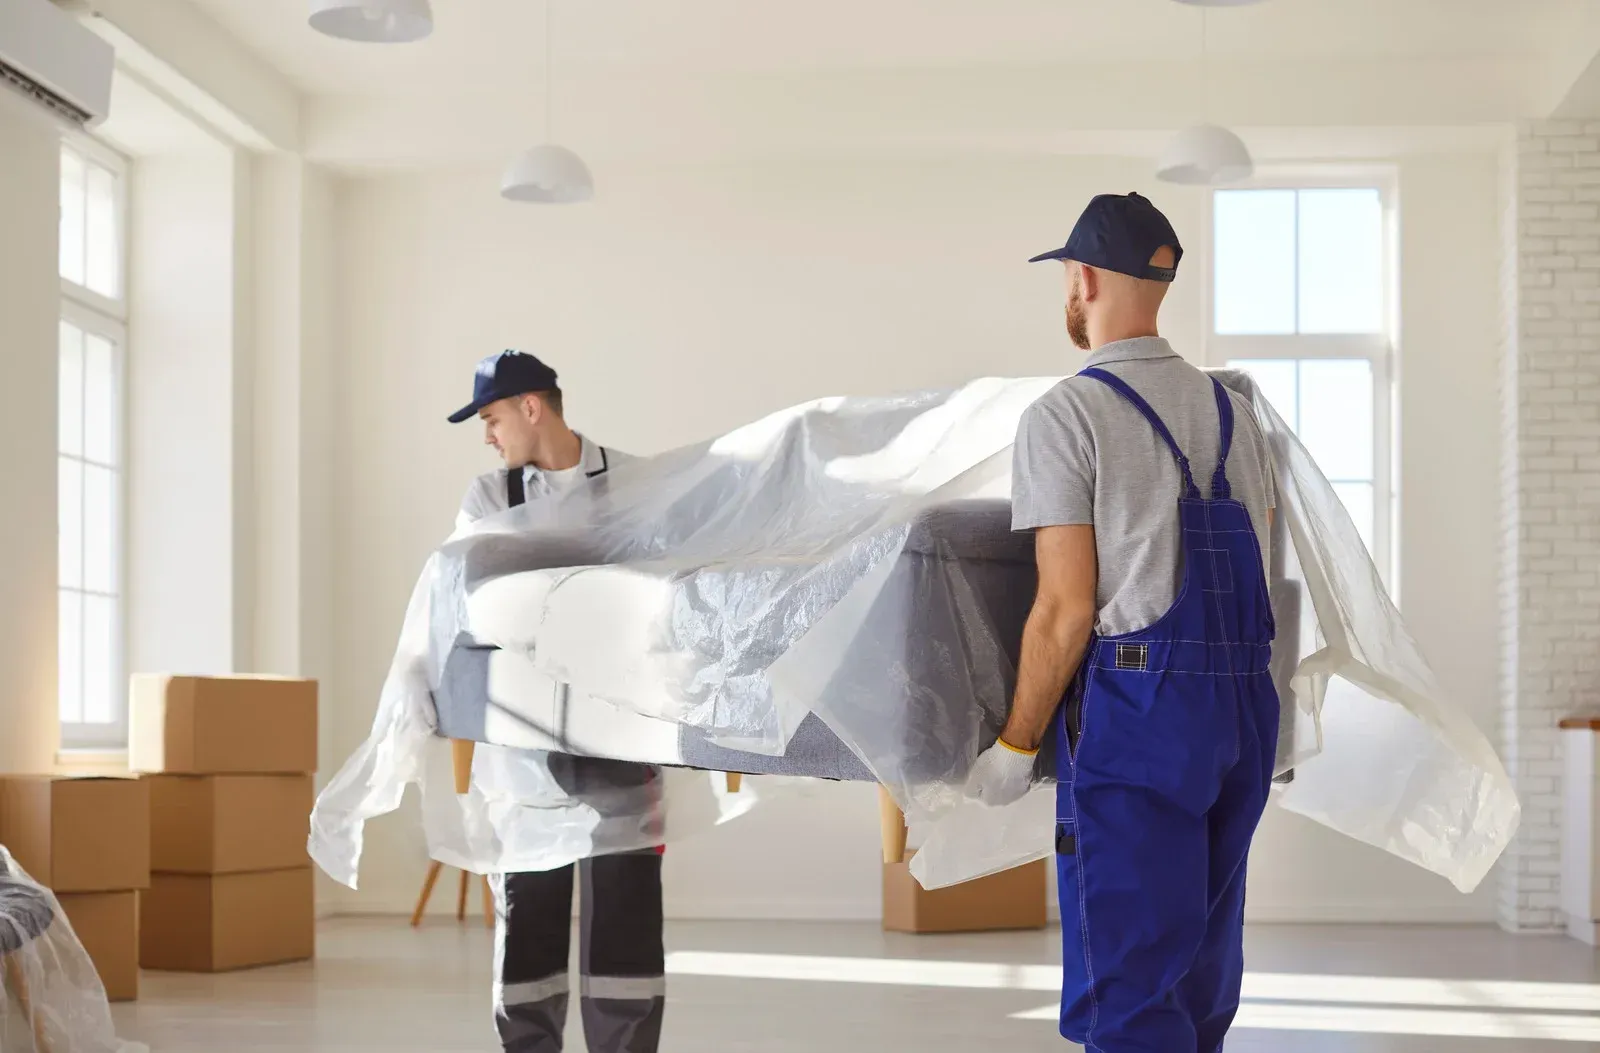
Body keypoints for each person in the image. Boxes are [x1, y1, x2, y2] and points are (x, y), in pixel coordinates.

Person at [964, 193, 1279, 1052]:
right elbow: (1267, 573)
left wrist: (1017, 742)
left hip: (1139, 719)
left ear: (1084, 277)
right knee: (1202, 982)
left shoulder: (1066, 416)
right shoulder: (1237, 415)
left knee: (1130, 994)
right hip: (1243, 714)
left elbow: (1065, 610)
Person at [448, 350, 666, 1053]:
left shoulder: (634, 482)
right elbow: (475, 600)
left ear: (531, 406)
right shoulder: (488, 499)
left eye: (491, 417)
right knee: (530, 914)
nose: (488, 435)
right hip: (526, 738)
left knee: (626, 911)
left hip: (621, 732)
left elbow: (663, 593)